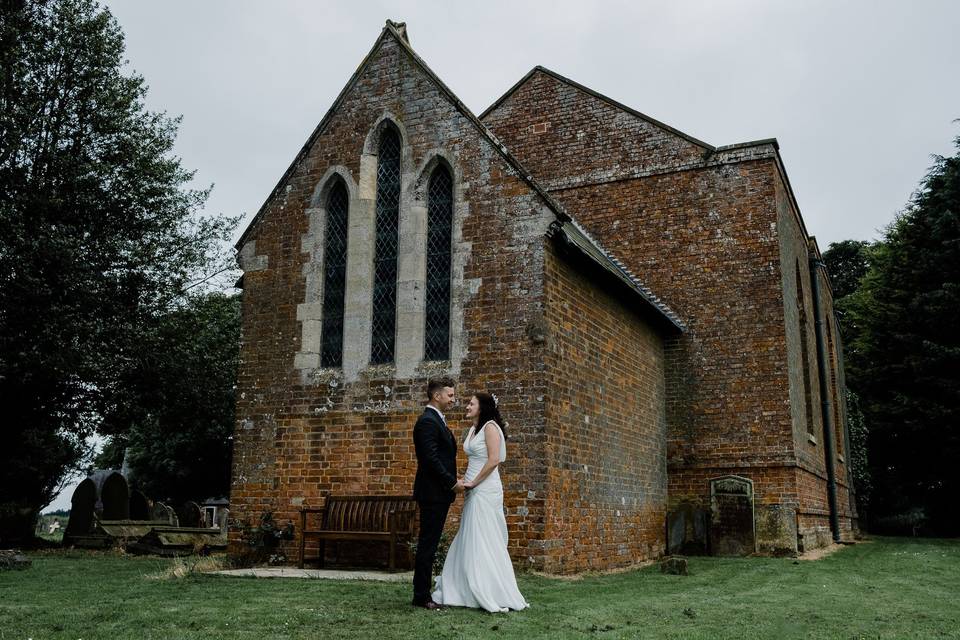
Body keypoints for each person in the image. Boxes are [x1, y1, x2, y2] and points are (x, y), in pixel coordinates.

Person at [432, 392, 529, 612]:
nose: (467, 406)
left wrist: (474, 482)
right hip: (472, 488)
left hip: (485, 488)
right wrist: (466, 482)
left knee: (485, 535)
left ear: (482, 407)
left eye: (471, 403)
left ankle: (491, 589)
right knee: (471, 533)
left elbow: (494, 460)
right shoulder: (473, 429)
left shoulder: (490, 428)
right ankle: (464, 587)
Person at [411, 377, 464, 610]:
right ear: (437, 396)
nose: (453, 400)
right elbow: (430, 460)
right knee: (428, 545)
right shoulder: (427, 422)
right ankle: (421, 596)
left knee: (430, 544)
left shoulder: (437, 421)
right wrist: (452, 483)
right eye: (450, 395)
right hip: (433, 493)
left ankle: (423, 593)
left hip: (438, 494)